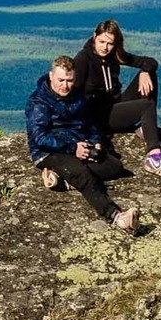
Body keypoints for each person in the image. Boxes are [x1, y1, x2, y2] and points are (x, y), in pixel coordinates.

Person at [25, 55, 138, 231]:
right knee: (82, 175)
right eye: (61, 80)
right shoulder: (39, 102)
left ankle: (63, 180)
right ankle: (117, 217)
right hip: (49, 152)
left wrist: (95, 142)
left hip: (78, 146)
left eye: (69, 80)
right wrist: (72, 148)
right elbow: (40, 137)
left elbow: (89, 123)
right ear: (51, 76)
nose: (65, 85)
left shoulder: (76, 95)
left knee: (114, 166)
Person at [72, 19, 161, 180]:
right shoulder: (83, 60)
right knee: (146, 106)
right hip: (99, 116)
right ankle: (154, 158)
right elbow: (73, 95)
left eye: (110, 43)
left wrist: (145, 71)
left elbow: (150, 62)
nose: (105, 47)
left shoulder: (114, 56)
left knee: (149, 76)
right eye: (101, 41)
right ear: (94, 37)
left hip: (115, 105)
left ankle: (143, 127)